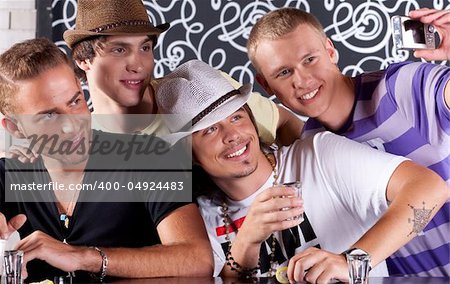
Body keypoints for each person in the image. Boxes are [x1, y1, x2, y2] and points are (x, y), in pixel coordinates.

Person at [155, 59, 449, 282]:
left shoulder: (318, 154)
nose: (232, 135)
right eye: (209, 130)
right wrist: (247, 240)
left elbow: (429, 189)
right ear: (188, 154)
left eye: (236, 117)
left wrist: (352, 261)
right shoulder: (200, 217)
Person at [246, 7, 450, 276]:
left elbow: (431, 192)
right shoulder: (313, 146)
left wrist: (355, 261)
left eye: (309, 59)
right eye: (283, 73)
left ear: (330, 51)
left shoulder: (401, 88)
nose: (302, 80)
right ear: (266, 85)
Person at [0, 38, 213, 282]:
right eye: (49, 116)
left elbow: (197, 260)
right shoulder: (10, 175)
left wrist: (84, 257)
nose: (72, 125)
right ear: (15, 128)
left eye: (75, 101)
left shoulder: (151, 157)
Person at [61, 0, 302, 145]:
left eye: (145, 47)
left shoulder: (197, 89)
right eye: (119, 50)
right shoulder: (78, 143)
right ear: (83, 60)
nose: (138, 65)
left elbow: (283, 122)